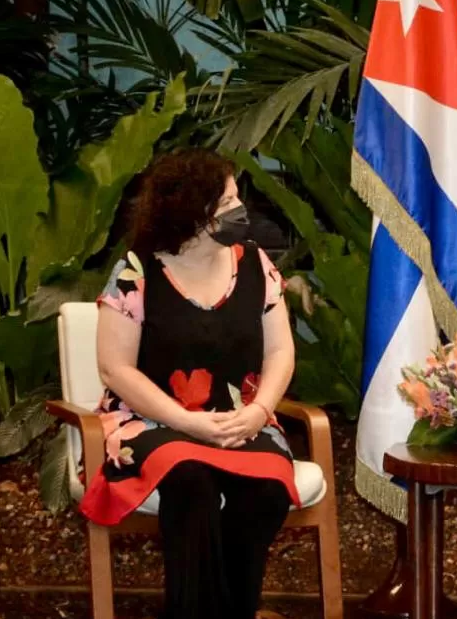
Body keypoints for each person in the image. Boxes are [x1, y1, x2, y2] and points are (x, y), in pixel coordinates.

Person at [80, 149, 298, 619]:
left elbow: (281, 351)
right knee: (189, 479)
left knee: (267, 490)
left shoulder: (256, 264)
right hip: (151, 421)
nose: (241, 211)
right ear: (193, 212)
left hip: (242, 417)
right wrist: (186, 422)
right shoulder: (136, 272)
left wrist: (259, 413)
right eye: (228, 201)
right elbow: (115, 369)